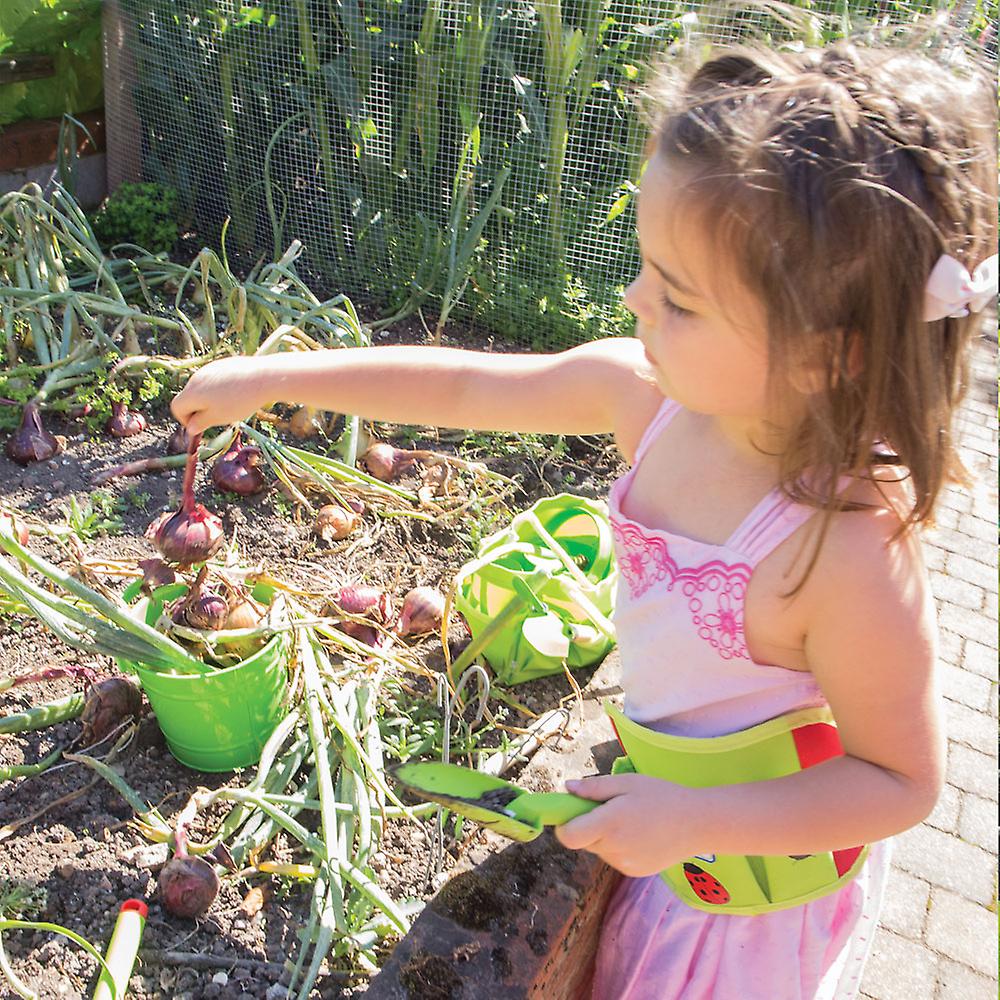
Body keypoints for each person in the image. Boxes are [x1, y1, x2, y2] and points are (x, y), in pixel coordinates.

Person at [172, 38, 997, 1000]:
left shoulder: (844, 546)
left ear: (827, 355)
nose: (634, 299)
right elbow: (466, 386)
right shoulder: (647, 398)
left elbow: (901, 783)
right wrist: (275, 375)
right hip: (668, 840)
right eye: (649, 269)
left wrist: (693, 820)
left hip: (744, 909)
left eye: (678, 298)